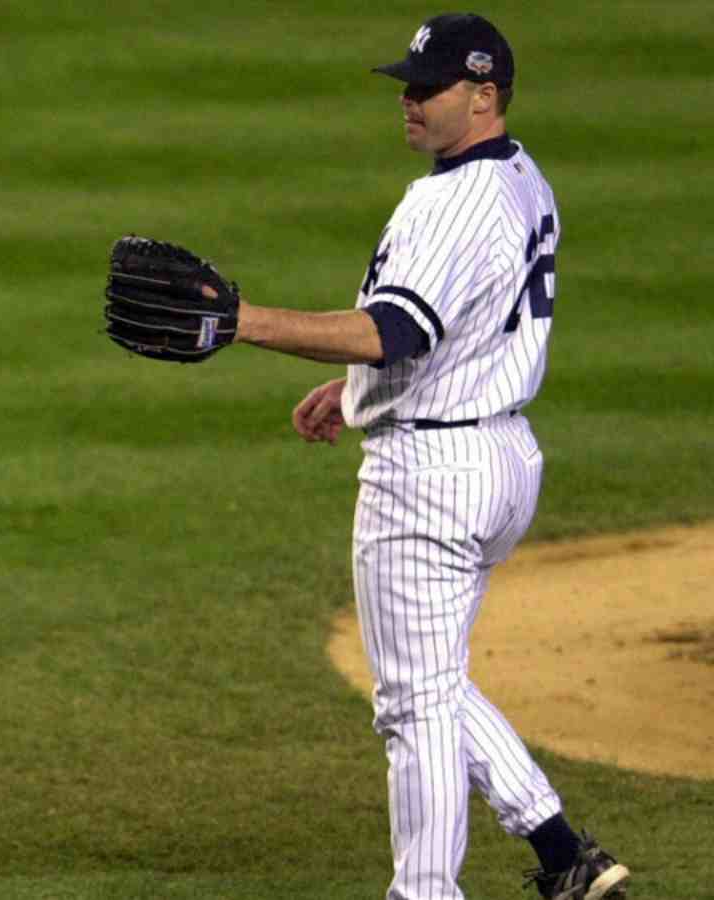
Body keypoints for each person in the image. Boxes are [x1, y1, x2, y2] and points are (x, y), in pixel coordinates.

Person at [223, 15, 628, 900]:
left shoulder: (451, 201)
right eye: (407, 82)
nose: (408, 98)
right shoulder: (523, 178)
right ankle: (564, 856)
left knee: (412, 704)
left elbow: (393, 329)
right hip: (498, 456)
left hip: (432, 477)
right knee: (430, 680)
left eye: (429, 85)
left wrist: (244, 320)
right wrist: (359, 392)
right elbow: (454, 327)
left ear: (484, 96)